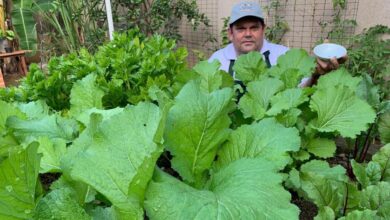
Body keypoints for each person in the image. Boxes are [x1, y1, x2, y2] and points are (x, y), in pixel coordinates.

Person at [209, 1, 345, 86]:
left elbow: (300, 93)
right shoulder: (216, 61)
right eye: (241, 28)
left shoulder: (284, 55)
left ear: (263, 30)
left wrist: (316, 75)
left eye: (254, 27)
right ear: (230, 34)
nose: (248, 34)